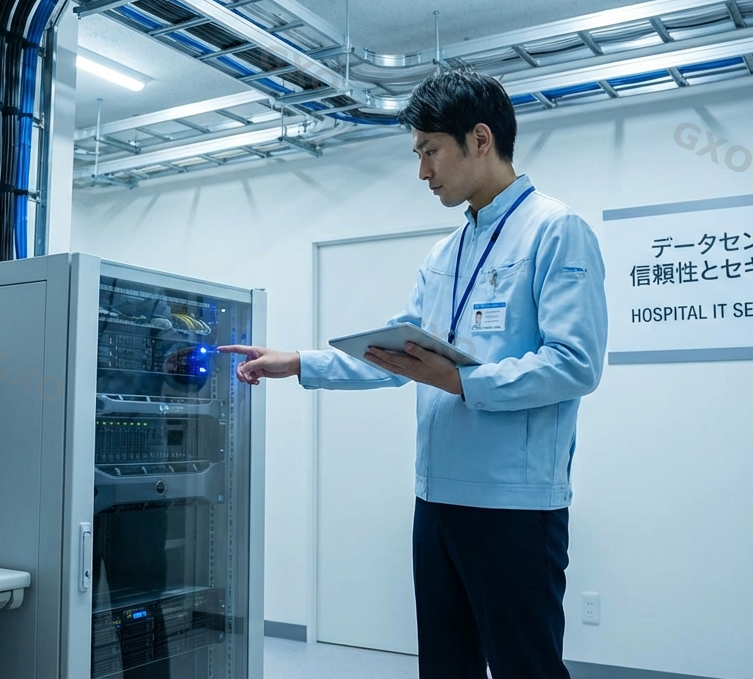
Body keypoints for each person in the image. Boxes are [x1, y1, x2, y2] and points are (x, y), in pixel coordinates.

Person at [220, 66, 608, 679]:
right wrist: (298, 363)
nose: (423, 171)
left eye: (430, 152)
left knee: (523, 667)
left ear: (480, 140)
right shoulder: (445, 253)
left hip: (515, 507)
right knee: (445, 667)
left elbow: (575, 365)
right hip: (436, 499)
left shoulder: (555, 230)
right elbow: (398, 356)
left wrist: (461, 381)